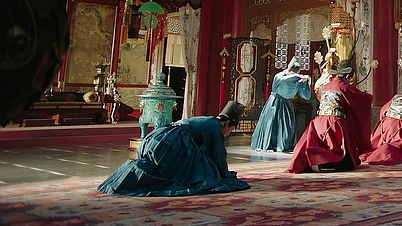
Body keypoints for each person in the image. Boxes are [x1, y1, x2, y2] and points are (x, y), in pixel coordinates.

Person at [98, 101, 250, 196]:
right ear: (227, 123)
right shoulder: (216, 128)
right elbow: (217, 155)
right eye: (230, 130)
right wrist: (225, 175)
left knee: (155, 168)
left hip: (156, 138)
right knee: (201, 176)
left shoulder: (209, 120)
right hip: (171, 143)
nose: (227, 134)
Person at [287, 60, 373, 173]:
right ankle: (318, 160)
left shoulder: (327, 86)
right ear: (348, 76)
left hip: (318, 122)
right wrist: (370, 98)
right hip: (334, 124)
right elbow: (362, 101)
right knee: (349, 162)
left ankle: (313, 159)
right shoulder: (344, 87)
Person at [250, 56, 312, 152]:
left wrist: (305, 82)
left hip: (286, 104)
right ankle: (270, 144)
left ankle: (283, 145)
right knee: (271, 123)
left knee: (286, 126)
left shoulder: (297, 80)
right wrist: (299, 77)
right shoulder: (279, 76)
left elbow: (307, 96)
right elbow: (285, 80)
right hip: (275, 103)